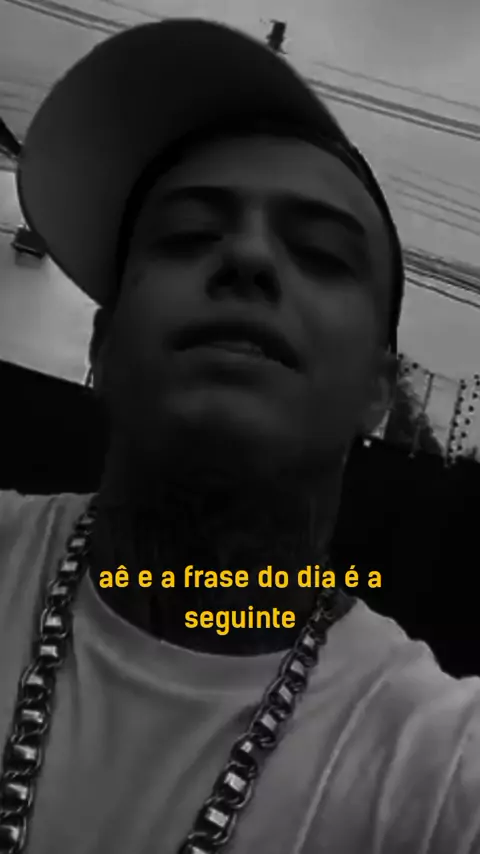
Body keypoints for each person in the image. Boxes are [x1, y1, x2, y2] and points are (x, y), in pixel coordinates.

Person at [0, 18, 478, 854]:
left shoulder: (435, 767)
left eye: (321, 254)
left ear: (379, 390)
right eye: (187, 236)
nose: (249, 256)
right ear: (104, 344)